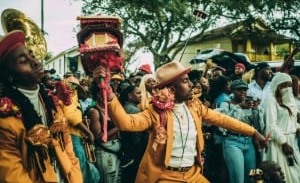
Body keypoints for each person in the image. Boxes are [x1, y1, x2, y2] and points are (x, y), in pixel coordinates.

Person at [93, 60, 267, 183]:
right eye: (185, 81)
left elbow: (222, 119)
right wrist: (109, 94)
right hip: (164, 177)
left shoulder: (195, 107)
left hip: (193, 174)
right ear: (172, 89)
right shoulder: (155, 112)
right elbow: (126, 123)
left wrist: (253, 132)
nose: (191, 84)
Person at [0, 30, 82, 182]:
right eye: (23, 61)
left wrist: (76, 177)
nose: (35, 62)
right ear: (9, 75)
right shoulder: (5, 118)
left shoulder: (51, 103)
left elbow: (68, 146)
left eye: (31, 55)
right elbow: (12, 175)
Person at [218, 79, 265, 183]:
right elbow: (223, 123)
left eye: (245, 89)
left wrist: (256, 109)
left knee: (250, 178)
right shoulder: (226, 104)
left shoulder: (249, 105)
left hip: (249, 142)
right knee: (237, 179)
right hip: (232, 142)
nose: (243, 92)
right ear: (233, 91)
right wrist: (238, 107)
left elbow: (258, 126)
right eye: (239, 89)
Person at [261, 72, 300, 183]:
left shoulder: (289, 100)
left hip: (292, 142)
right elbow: (271, 125)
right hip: (278, 144)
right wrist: (283, 142)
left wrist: (297, 128)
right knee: (281, 175)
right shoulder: (270, 100)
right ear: (276, 86)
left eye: (289, 85)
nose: (287, 88)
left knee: (295, 173)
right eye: (283, 85)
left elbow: (291, 121)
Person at [86, 80, 122, 183]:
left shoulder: (110, 109)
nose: (112, 94)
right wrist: (119, 127)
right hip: (105, 152)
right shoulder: (94, 112)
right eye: (108, 91)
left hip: (115, 151)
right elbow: (100, 137)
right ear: (99, 94)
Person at [119, 85, 149, 183]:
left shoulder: (126, 107)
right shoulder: (134, 110)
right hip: (135, 151)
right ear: (130, 96)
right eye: (138, 93)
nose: (141, 96)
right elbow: (136, 137)